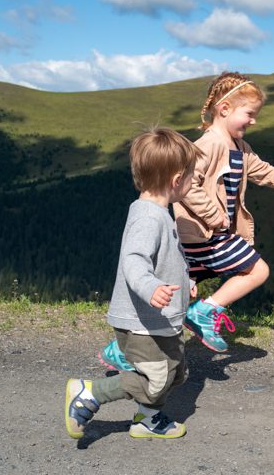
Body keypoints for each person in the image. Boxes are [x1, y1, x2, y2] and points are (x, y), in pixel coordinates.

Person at [98, 72, 274, 372]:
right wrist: (214, 215)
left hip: (204, 236)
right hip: (205, 234)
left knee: (174, 298)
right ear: (224, 109)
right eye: (249, 114)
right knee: (257, 270)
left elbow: (262, 171)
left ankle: (122, 349)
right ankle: (206, 312)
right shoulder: (208, 145)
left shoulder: (241, 148)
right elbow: (186, 185)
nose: (253, 121)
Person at [65, 127, 202, 440]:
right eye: (192, 175)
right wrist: (152, 288)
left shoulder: (159, 212)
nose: (194, 181)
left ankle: (148, 419)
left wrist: (186, 279)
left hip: (158, 320)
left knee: (173, 372)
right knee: (155, 378)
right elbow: (134, 261)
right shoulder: (148, 217)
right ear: (176, 179)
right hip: (142, 322)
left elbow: (164, 258)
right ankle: (90, 393)